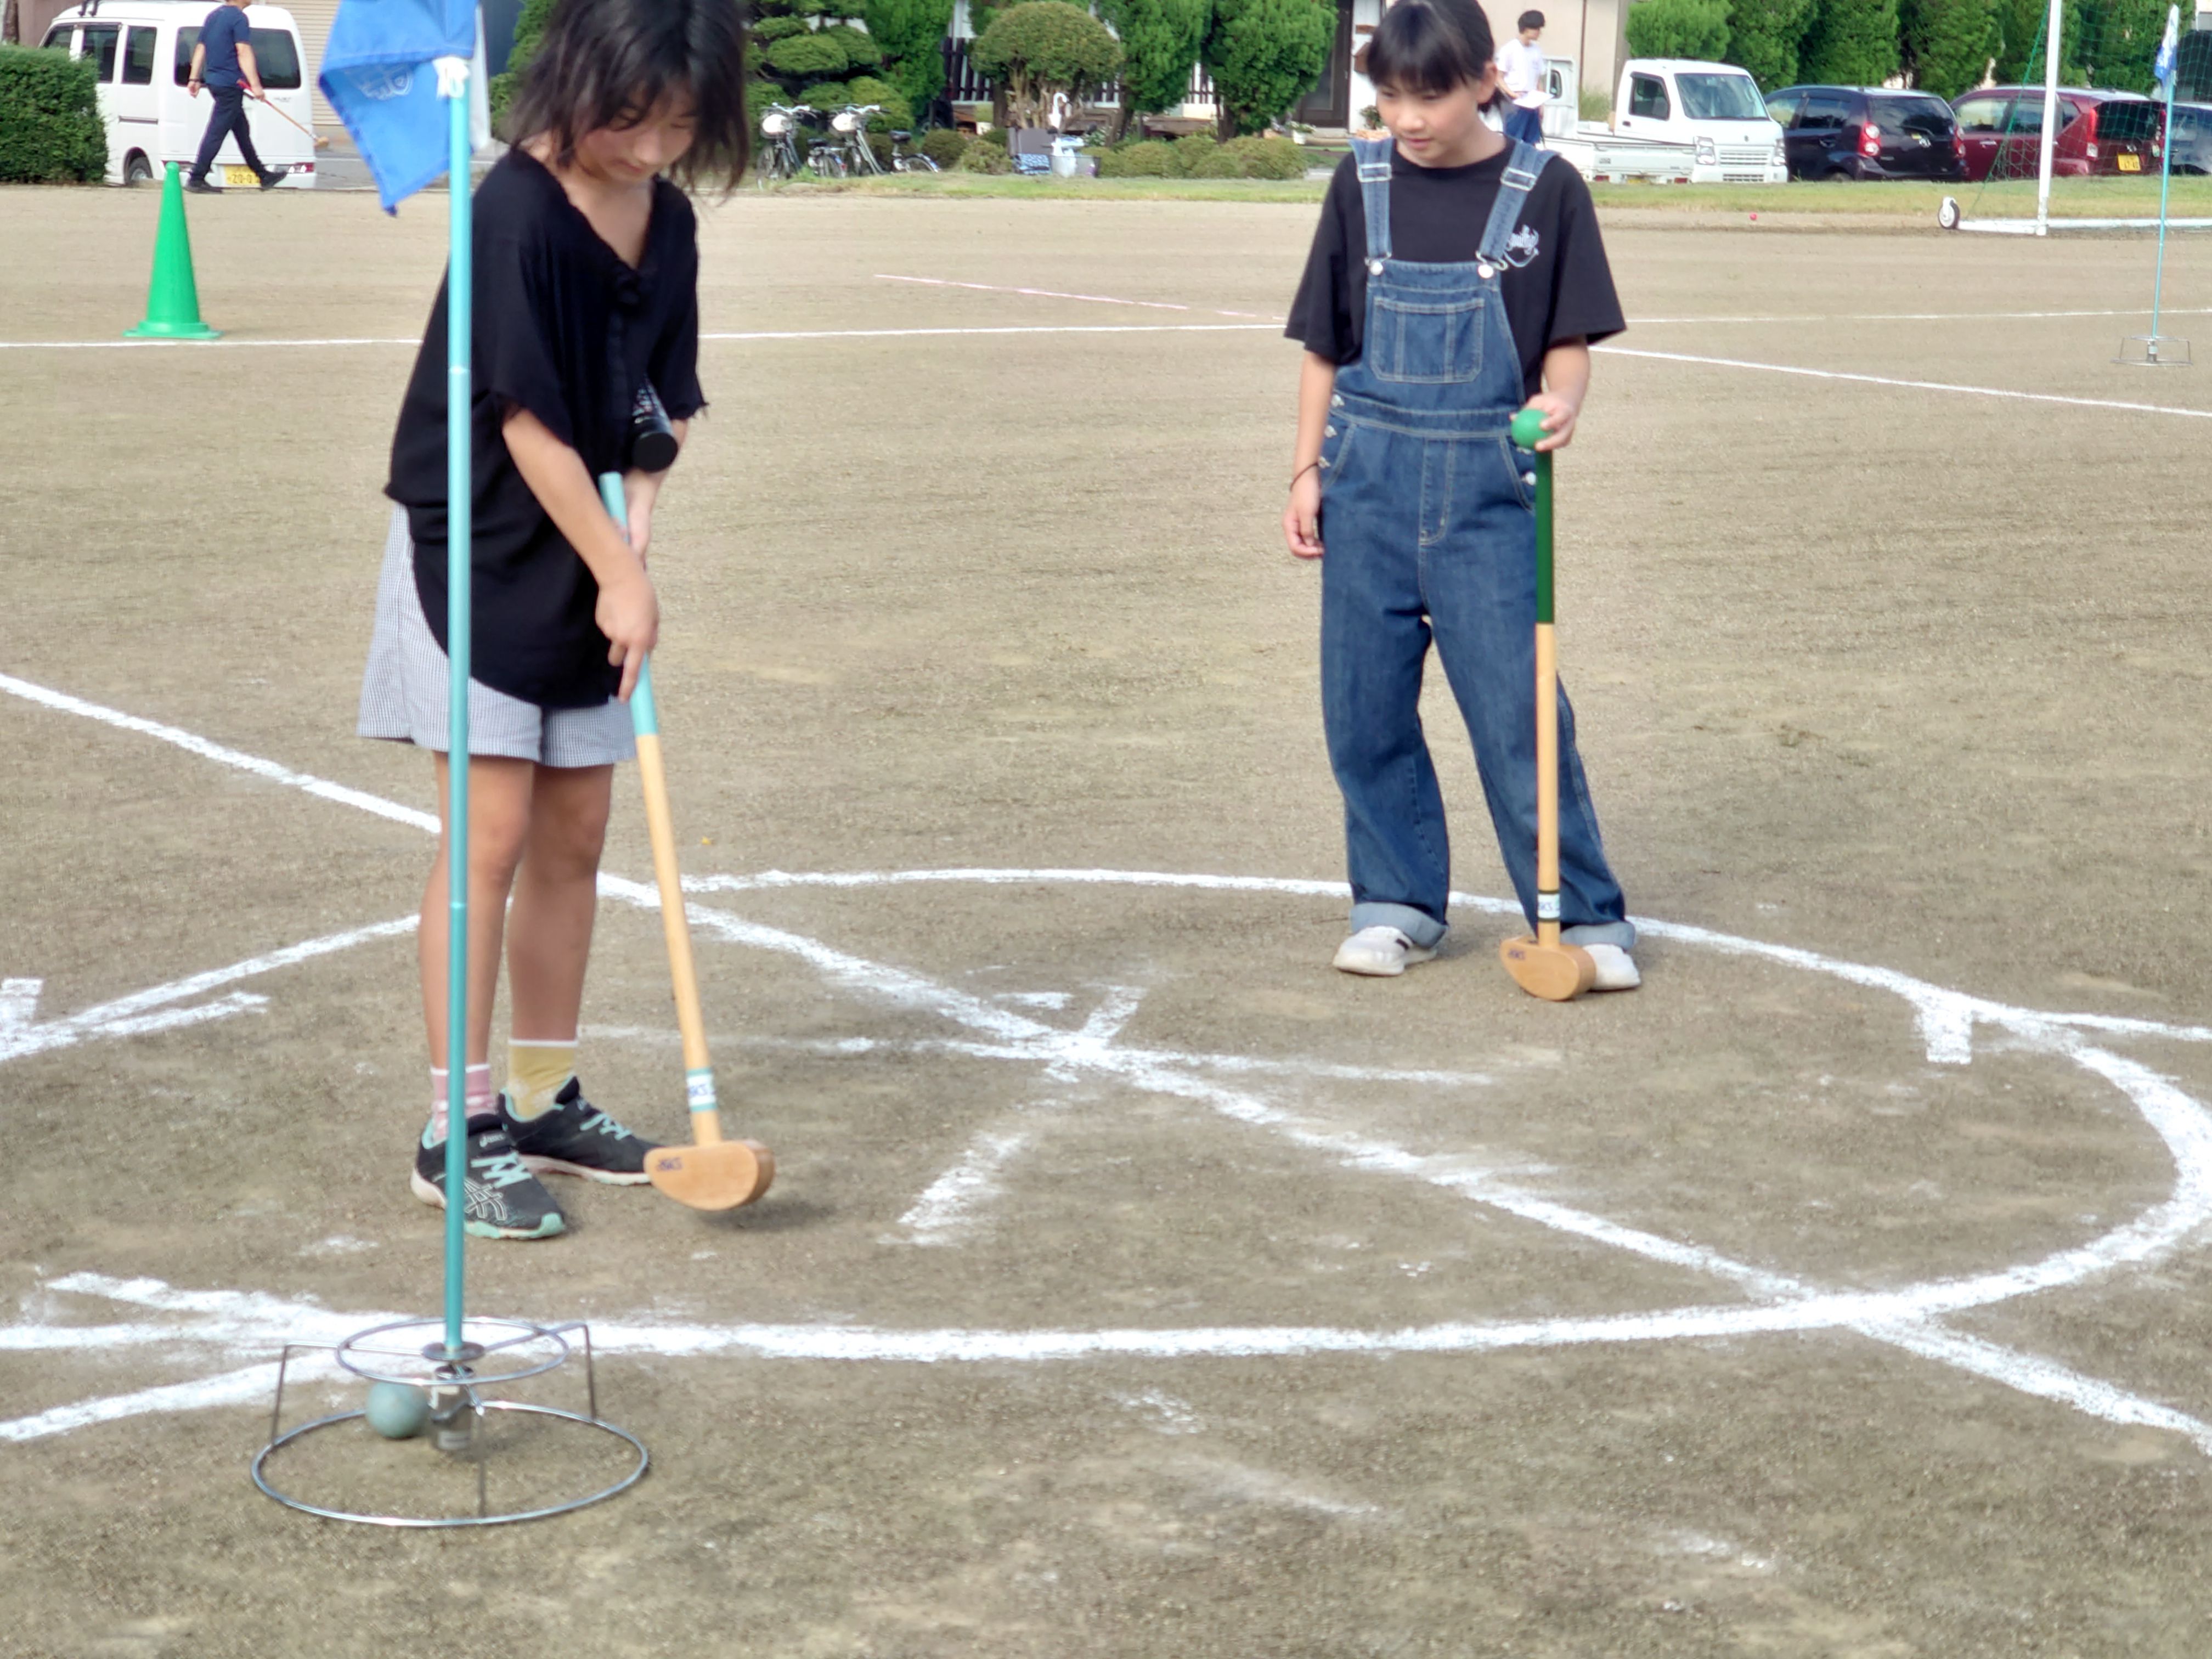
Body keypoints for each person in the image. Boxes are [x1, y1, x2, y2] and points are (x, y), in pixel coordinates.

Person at [357, 0, 751, 1239]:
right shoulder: (513, 213)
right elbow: (523, 420)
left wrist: (641, 528)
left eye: (678, 127)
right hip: (474, 548)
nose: (647, 151)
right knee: (493, 832)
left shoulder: (668, 219)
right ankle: (455, 1125)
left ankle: (539, 1100)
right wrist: (617, 574)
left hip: (590, 547)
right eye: (631, 121)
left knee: (578, 831)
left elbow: (659, 400)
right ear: (580, 84)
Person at [1280, 0, 1637, 988]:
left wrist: (1561, 403)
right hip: (1366, 489)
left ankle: (1585, 919)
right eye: (1388, 95)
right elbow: (1324, 343)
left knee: (1519, 715)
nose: (1405, 117)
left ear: (1488, 78)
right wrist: (1305, 471)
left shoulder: (1548, 191)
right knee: (1363, 712)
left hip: (1488, 495)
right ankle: (1395, 902)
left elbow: (1565, 347)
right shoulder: (1360, 183)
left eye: (1428, 94)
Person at [183, 0, 288, 193]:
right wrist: (256, 86)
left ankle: (263, 175)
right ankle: (197, 177)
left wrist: (194, 77)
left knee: (241, 130)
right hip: (230, 84)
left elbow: (201, 48)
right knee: (217, 131)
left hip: (215, 82)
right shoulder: (239, 18)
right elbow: (243, 51)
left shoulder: (214, 16)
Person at [1494, 9, 1548, 149]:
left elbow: (1538, 80)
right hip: (1515, 101)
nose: (1538, 32)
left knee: (1532, 142)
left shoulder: (1537, 50)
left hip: (1533, 101)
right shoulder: (1510, 49)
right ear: (1526, 28)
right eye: (1536, 28)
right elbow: (1499, 77)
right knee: (1513, 141)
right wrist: (1512, 94)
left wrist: (1541, 105)